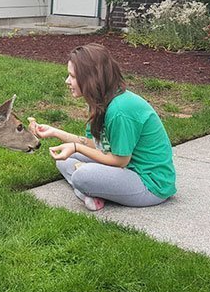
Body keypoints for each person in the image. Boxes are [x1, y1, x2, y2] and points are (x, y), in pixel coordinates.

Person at [29, 43, 176, 211]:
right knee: (64, 161)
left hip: (149, 184)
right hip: (126, 169)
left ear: (91, 78)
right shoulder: (100, 102)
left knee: (82, 175)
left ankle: (89, 189)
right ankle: (90, 193)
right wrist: (55, 132)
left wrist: (77, 148)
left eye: (72, 76)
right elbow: (96, 145)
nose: (67, 81)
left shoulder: (120, 109)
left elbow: (120, 160)